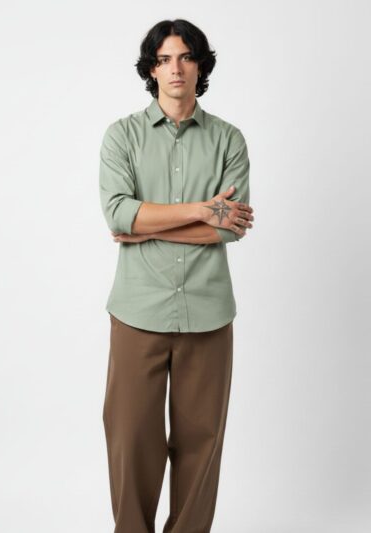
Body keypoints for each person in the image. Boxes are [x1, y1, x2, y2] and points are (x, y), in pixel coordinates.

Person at [99, 18, 254, 533]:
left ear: (201, 65)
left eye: (186, 57)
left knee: (201, 444)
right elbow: (119, 214)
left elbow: (231, 227)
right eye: (164, 59)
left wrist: (147, 227)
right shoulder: (122, 136)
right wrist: (201, 210)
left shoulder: (229, 140)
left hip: (209, 314)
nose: (175, 69)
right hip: (137, 311)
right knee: (130, 440)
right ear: (150, 69)